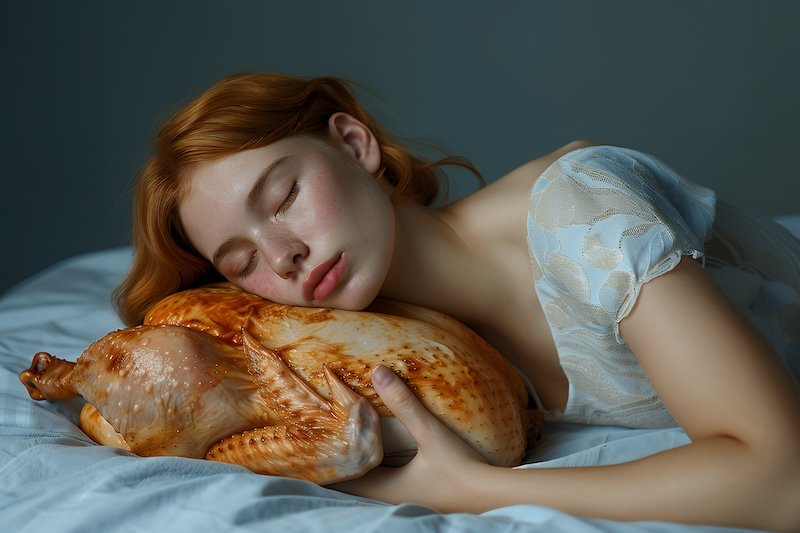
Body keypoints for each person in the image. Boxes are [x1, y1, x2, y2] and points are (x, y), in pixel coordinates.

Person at [114, 72, 800, 531]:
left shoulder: (582, 209)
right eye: (242, 261)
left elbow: (783, 476)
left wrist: (478, 492)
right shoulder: (411, 359)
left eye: (284, 196)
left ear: (355, 144)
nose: (283, 253)